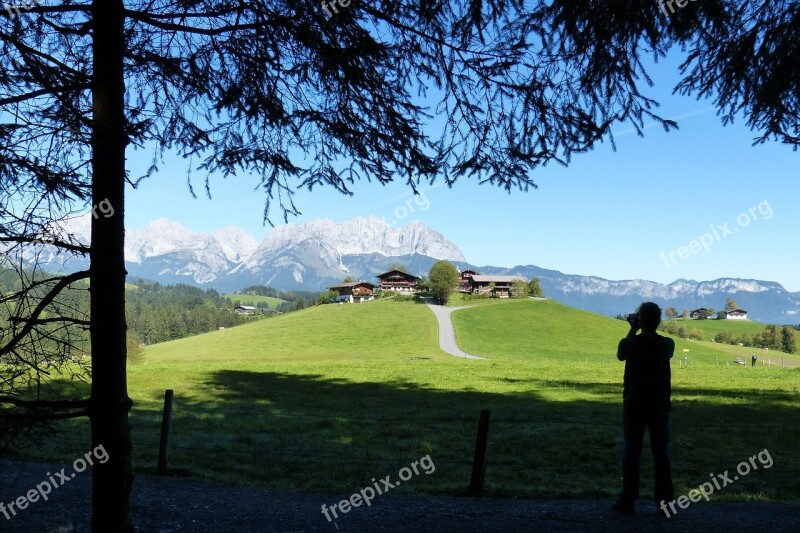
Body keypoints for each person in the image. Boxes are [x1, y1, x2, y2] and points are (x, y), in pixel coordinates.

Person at [613, 302, 674, 516]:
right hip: (659, 406)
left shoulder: (630, 344)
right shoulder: (667, 344)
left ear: (640, 320)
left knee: (632, 453)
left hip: (634, 404)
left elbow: (621, 354)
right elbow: (664, 351)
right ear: (658, 321)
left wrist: (633, 329)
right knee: (661, 455)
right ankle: (665, 504)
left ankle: (628, 500)